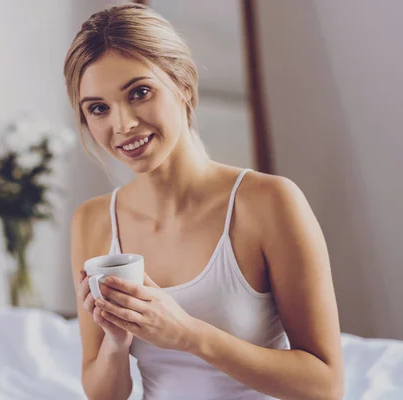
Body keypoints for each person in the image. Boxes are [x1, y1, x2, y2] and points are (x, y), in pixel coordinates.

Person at [65, 4, 344, 400]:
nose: (122, 124)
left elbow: (326, 386)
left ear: (183, 85)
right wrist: (116, 341)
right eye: (99, 108)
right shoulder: (91, 221)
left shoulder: (269, 203)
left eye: (140, 92)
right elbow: (104, 394)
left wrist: (187, 334)